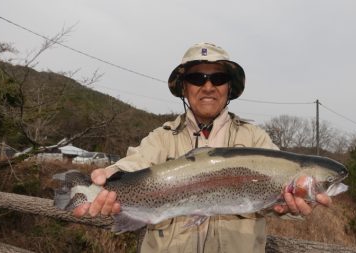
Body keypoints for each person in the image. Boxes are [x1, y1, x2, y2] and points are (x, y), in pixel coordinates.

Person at [73, 42, 331, 252]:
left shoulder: (256, 140)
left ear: (229, 87)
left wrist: (293, 209)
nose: (208, 86)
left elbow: (282, 200)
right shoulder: (162, 137)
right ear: (184, 88)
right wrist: (108, 177)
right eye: (198, 78)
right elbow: (136, 163)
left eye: (218, 78)